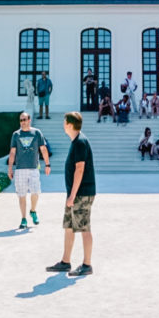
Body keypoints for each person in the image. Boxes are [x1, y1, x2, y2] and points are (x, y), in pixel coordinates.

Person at [46, 111, 96, 278]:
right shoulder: (76, 141)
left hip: (81, 193)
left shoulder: (80, 142)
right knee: (69, 227)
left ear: (69, 124)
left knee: (84, 228)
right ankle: (66, 261)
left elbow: (80, 169)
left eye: (64, 121)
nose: (62, 124)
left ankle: (87, 264)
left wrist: (72, 195)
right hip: (75, 194)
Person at [7, 112, 50, 229]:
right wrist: (10, 168)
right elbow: (12, 153)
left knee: (35, 192)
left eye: (24, 119)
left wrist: (47, 164)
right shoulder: (16, 135)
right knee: (22, 195)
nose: (22, 122)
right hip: (20, 169)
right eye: (21, 120)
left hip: (33, 168)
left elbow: (43, 149)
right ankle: (24, 219)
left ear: (29, 120)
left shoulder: (36, 133)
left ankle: (33, 211)